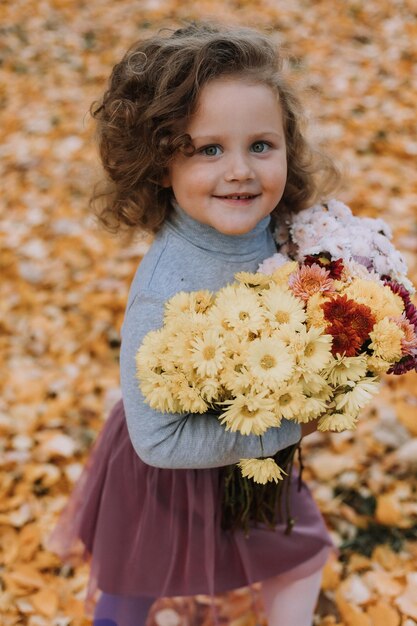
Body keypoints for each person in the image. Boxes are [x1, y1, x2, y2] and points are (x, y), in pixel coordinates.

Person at [48, 22, 340, 626]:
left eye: (261, 145)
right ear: (159, 165)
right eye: (209, 149)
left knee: (300, 555)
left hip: (259, 457)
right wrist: (285, 426)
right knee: (133, 586)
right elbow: (158, 441)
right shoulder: (164, 292)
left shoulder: (290, 232)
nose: (241, 171)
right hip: (166, 470)